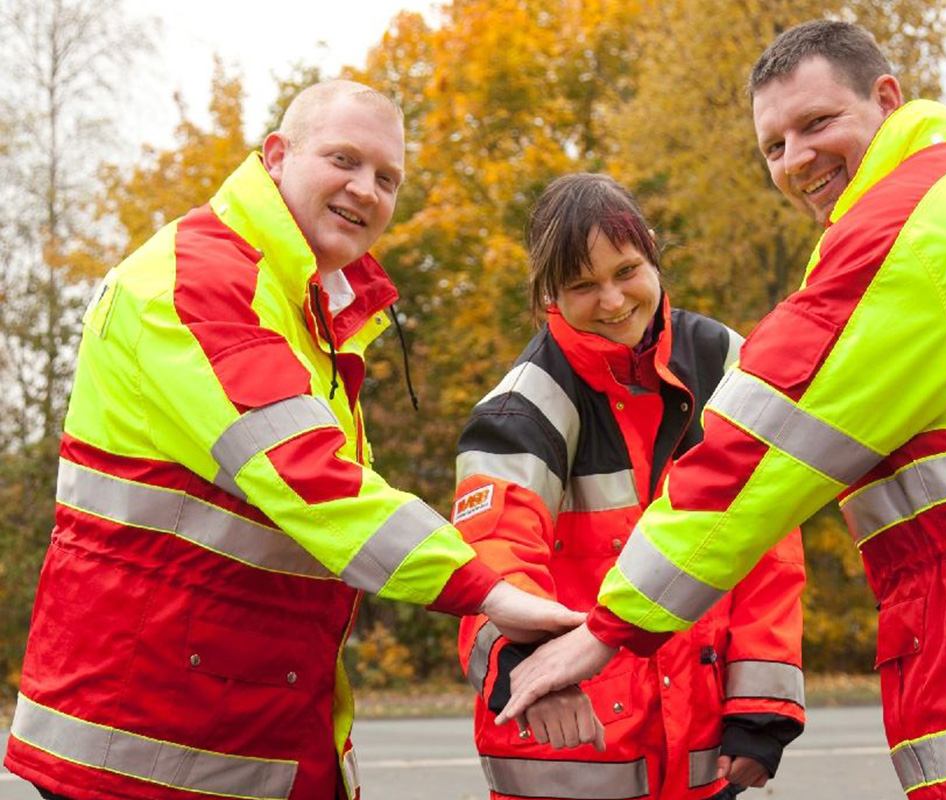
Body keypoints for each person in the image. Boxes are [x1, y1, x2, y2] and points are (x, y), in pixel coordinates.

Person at [495, 20, 946, 800]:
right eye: (774, 145)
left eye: (818, 123)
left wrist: (606, 629)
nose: (797, 160)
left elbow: (748, 468)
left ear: (887, 99)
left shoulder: (897, 239)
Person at [3, 79, 582, 800]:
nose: (366, 190)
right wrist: (487, 591)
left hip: (237, 726)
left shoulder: (304, 307)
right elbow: (315, 481)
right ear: (276, 156)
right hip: (148, 746)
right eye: (343, 159)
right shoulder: (201, 283)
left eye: (388, 178)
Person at [452, 173, 807, 799]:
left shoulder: (726, 362)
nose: (613, 301)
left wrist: (761, 708)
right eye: (583, 285)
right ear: (548, 297)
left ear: (652, 254)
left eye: (627, 271)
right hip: (572, 746)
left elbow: (767, 537)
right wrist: (527, 665)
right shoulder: (520, 409)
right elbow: (490, 558)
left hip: (702, 752)